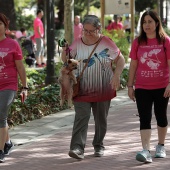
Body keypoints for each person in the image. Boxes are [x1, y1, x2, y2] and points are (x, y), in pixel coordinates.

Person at [61, 15, 125, 159]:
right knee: (81, 117)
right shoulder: (78, 42)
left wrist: (116, 75)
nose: (88, 34)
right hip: (81, 87)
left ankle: (98, 144)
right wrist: (64, 50)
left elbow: (120, 59)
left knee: (100, 119)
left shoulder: (106, 42)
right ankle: (77, 148)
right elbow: (65, 60)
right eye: (85, 31)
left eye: (91, 31)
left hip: (103, 87)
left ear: (98, 29)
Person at [127, 10, 170, 163]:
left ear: (157, 23)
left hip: (162, 86)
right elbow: (133, 65)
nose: (147, 25)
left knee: (161, 116)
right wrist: (130, 86)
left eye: (150, 21)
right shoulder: (137, 42)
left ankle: (161, 145)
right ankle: (146, 150)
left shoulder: (165, 41)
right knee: (144, 118)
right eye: (144, 22)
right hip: (142, 87)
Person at [0, 13, 28, 163]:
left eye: (0, 24)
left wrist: (25, 86)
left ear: (5, 26)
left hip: (9, 85)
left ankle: (0, 151)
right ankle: (8, 143)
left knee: (1, 115)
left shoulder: (12, 44)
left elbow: (20, 67)